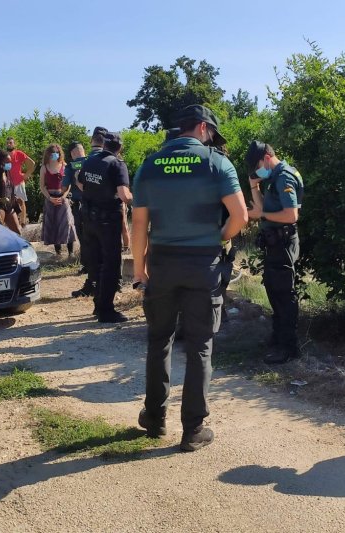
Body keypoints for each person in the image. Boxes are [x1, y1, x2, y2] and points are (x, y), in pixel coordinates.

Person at [132, 105, 248, 451]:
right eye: (211, 132)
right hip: (203, 264)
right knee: (200, 345)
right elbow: (240, 215)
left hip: (163, 263)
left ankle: (154, 418)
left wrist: (140, 268)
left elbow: (139, 225)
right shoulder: (216, 163)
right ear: (202, 127)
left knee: (159, 340)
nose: (212, 137)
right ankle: (193, 430)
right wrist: (219, 238)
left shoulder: (150, 165)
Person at [245, 140, 305, 364]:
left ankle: (288, 347)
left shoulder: (284, 177)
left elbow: (291, 216)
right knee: (274, 290)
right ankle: (278, 339)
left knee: (284, 294)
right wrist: (254, 186)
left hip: (283, 241)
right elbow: (261, 209)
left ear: (267, 158)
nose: (257, 170)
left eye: (257, 165)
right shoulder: (273, 177)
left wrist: (261, 216)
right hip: (275, 243)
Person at [80, 132, 133, 322]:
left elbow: (80, 181)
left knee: (97, 264)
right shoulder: (117, 164)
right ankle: (106, 311)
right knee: (111, 265)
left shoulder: (90, 161)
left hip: (89, 220)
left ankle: (98, 305)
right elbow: (124, 194)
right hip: (107, 221)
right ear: (120, 148)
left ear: (103, 144)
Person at [71, 126, 108, 298]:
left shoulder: (85, 162)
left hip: (89, 212)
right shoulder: (112, 159)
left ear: (91, 140)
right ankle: (113, 284)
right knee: (109, 252)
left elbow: (81, 184)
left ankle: (92, 284)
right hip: (109, 213)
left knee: (93, 250)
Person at [40, 143, 76, 256]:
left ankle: (71, 252)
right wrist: (50, 198)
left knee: (67, 223)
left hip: (63, 198)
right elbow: (42, 186)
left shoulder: (65, 166)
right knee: (53, 224)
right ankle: (58, 252)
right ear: (48, 154)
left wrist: (64, 196)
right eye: (53, 152)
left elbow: (69, 184)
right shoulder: (44, 167)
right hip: (50, 198)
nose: (55, 154)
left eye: (57, 152)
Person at [0, 149, 21, 234]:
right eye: (8, 162)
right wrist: (1, 199)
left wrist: (15, 197)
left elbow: (10, 190)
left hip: (9, 207)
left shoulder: (7, 173)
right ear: (1, 162)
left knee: (18, 232)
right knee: (0, 232)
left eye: (10, 162)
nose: (10, 164)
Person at [5, 137, 36, 225]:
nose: (9, 144)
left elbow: (32, 163)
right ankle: (13, 223)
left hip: (19, 181)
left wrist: (27, 174)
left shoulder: (19, 153)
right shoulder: (4, 155)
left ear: (14, 144)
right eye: (7, 143)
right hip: (8, 183)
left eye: (11, 143)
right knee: (9, 203)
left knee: (21, 202)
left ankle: (23, 222)